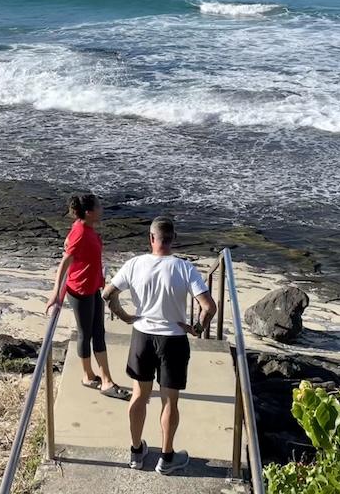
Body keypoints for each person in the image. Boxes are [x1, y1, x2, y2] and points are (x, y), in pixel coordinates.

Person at [102, 216, 216, 475]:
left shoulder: (135, 264)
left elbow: (108, 294)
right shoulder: (184, 268)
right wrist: (196, 328)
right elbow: (209, 307)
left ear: (151, 239)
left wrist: (124, 315)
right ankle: (166, 457)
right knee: (169, 402)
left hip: (142, 336)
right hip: (173, 339)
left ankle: (136, 452)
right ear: (173, 239)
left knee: (139, 395)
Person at [47, 193, 130, 400]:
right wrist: (56, 292)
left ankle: (95, 377)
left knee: (97, 332)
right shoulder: (81, 232)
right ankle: (101, 380)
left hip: (92, 287)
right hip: (80, 290)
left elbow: (71, 241)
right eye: (99, 206)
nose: (102, 209)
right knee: (88, 333)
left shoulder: (83, 227)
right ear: (89, 212)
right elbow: (65, 262)